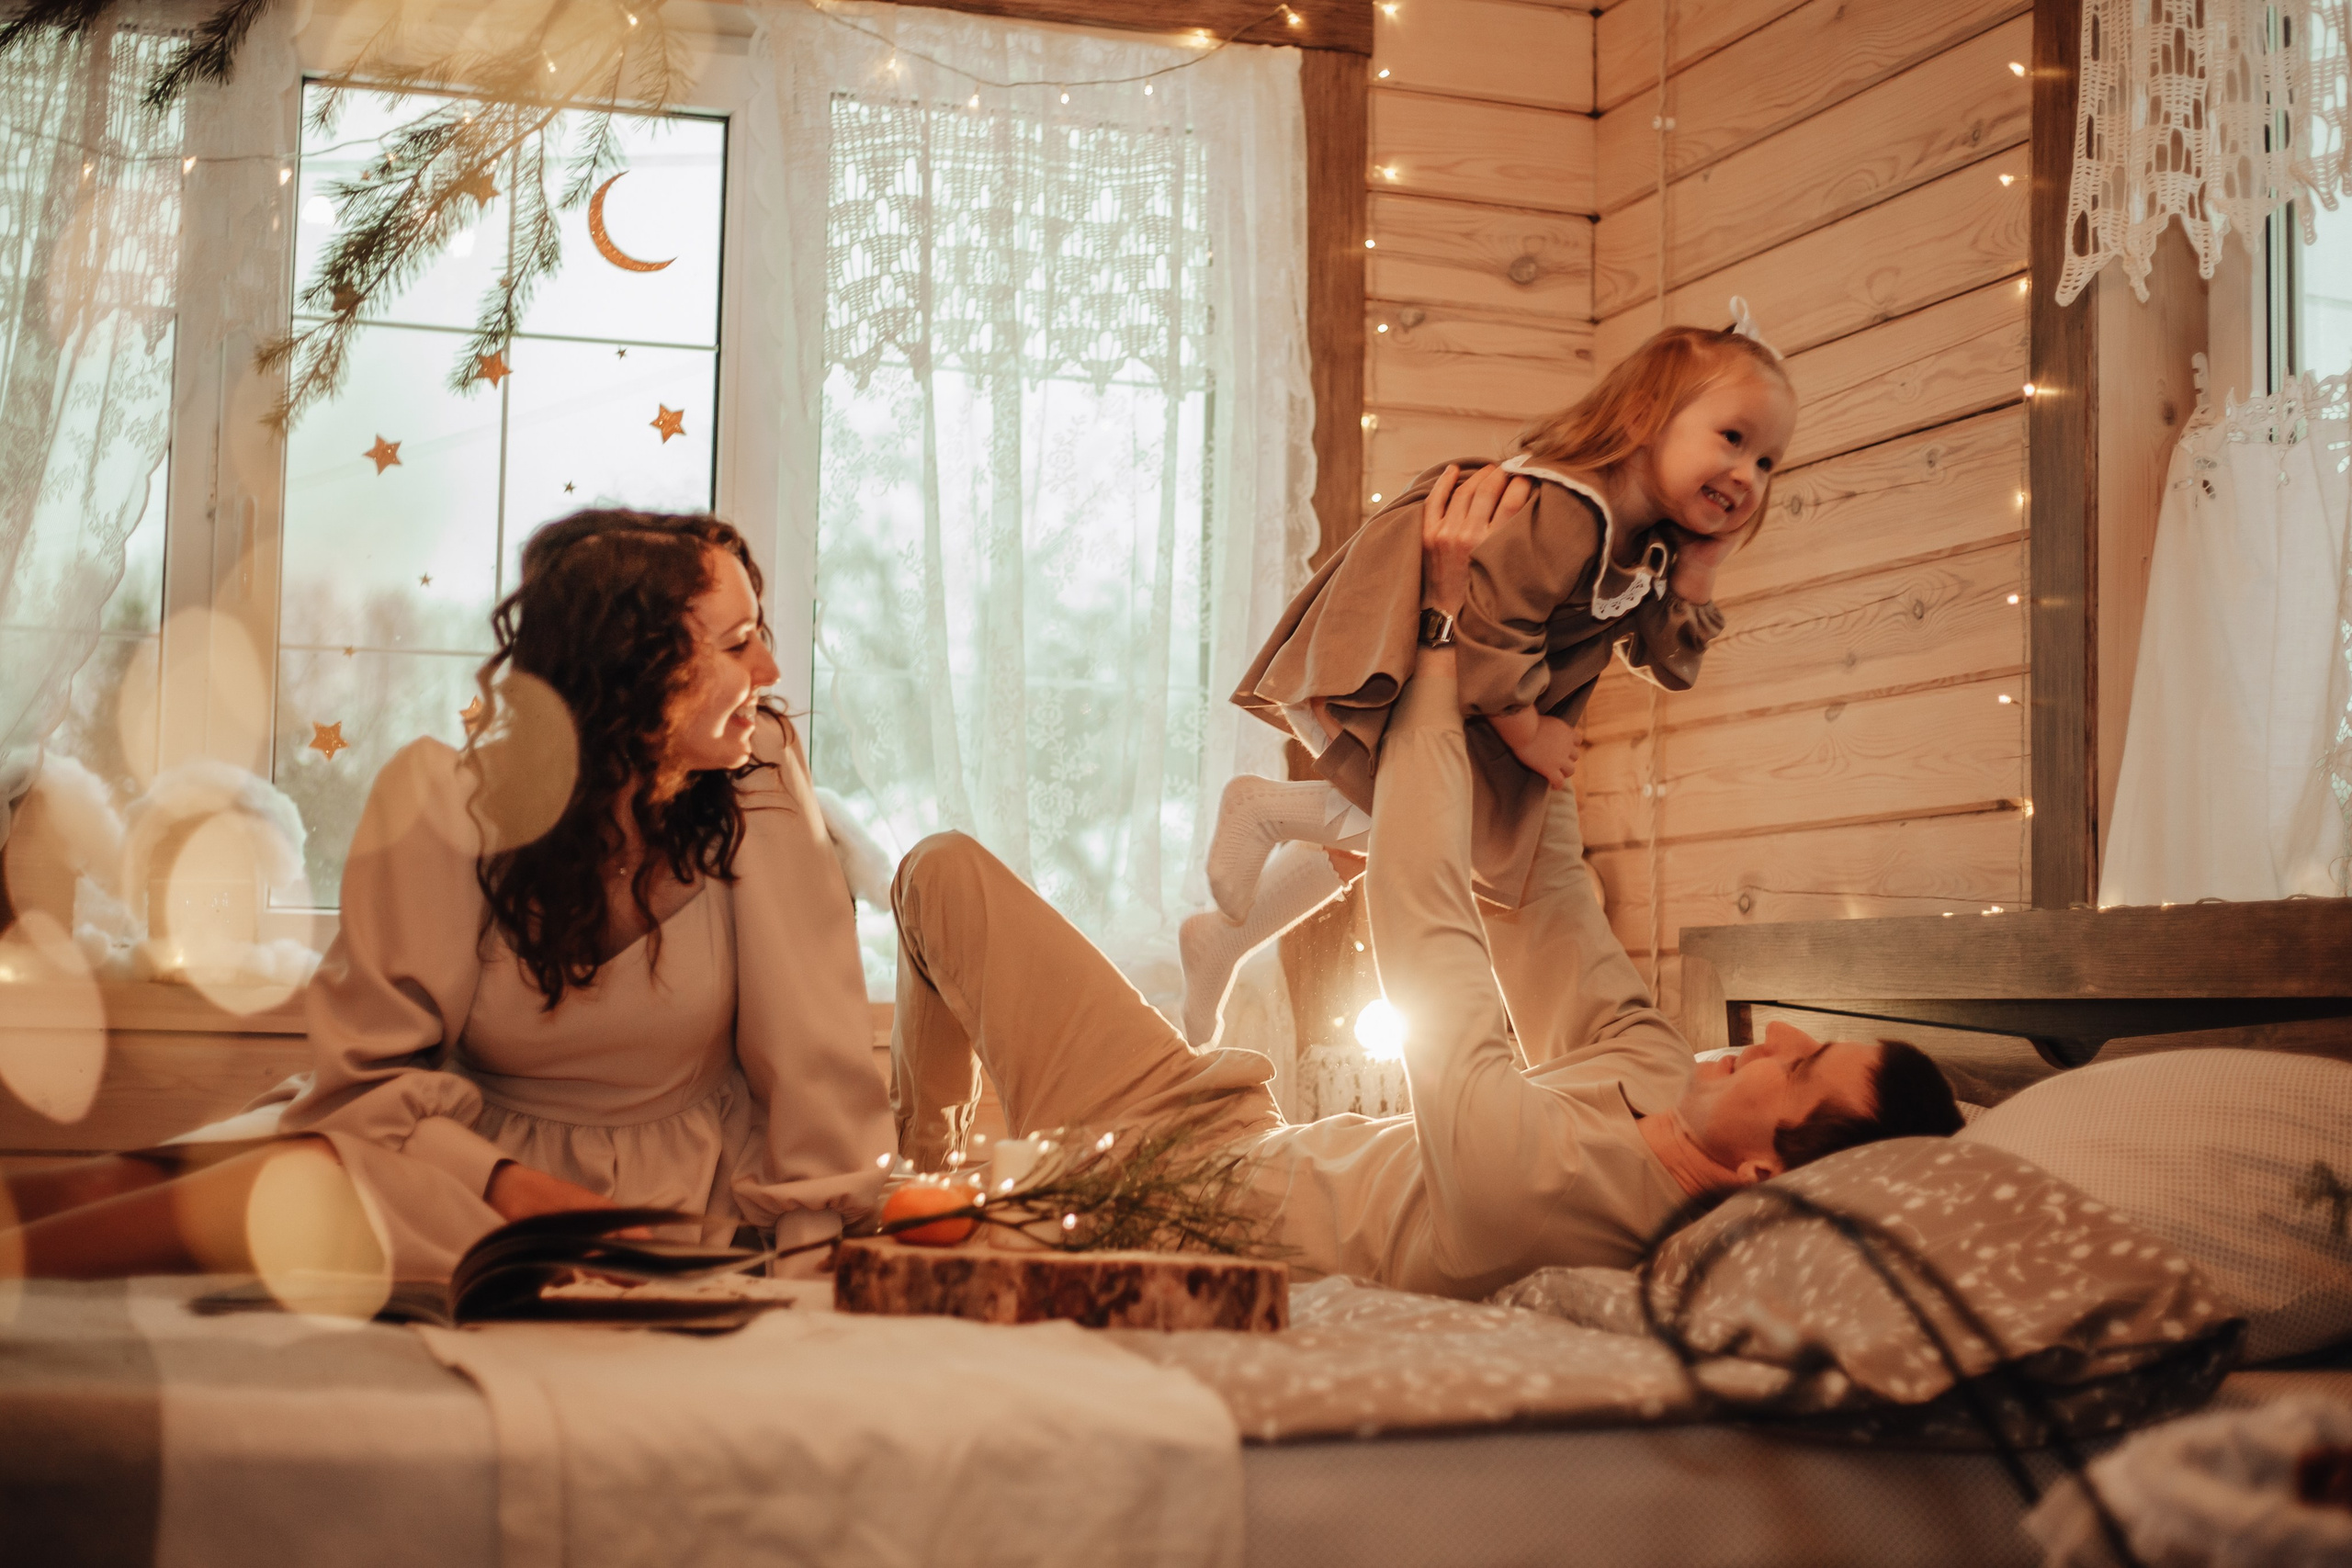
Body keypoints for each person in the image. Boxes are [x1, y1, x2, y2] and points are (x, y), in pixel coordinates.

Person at [890, 472, 1960, 1300]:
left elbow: (1426, 926)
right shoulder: (1655, 1073)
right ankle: (924, 1176)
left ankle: (916, 1198)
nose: (1773, 1037)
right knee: (939, 869)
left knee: (938, 878)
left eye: (1804, 1064)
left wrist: (1440, 636)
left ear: (1764, 1180)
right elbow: (1545, 893)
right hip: (1210, 1119)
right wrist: (1538, 648)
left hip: (1165, 1207)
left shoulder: (1557, 1205)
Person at [3, 512, 894, 1282]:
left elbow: (812, 1056)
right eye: (738, 644)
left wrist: (812, 1255)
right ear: (635, 667)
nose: (771, 669)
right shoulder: (445, 805)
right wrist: (509, 1186)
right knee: (144, 1176)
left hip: (680, 1195)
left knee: (293, 1180)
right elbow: (379, 1081)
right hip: (465, 1168)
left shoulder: (757, 781)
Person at [1180, 310, 1797, 1045]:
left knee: (1412, 832)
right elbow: (1490, 626)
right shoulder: (1572, 508)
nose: (1747, 475)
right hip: (1433, 650)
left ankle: (1225, 936)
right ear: (1643, 418)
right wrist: (1529, 731)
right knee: (1431, 825)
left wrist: (1699, 573)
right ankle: (1267, 810)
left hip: (1480, 694)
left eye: (1767, 462)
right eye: (1733, 438)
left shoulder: (1648, 541)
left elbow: (1667, 663)